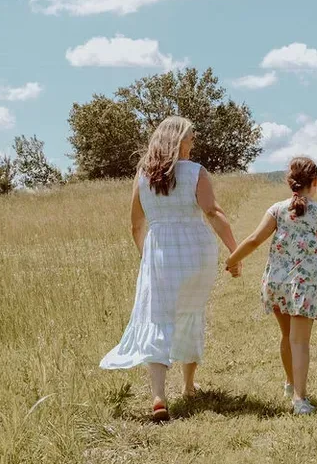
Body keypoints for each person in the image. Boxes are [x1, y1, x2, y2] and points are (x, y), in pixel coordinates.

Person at [100, 116, 240, 423]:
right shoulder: (196, 172)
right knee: (191, 313)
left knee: (159, 319)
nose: (193, 142)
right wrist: (234, 249)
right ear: (178, 141)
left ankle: (159, 395)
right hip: (196, 252)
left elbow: (136, 224)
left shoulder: (143, 175)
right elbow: (212, 211)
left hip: (161, 252)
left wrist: (145, 256)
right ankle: (188, 387)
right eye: (191, 137)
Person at [225, 157, 317, 414]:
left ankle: (291, 384)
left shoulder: (277, 210)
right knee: (300, 342)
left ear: (290, 182)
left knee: (287, 336)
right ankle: (300, 400)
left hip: (277, 282)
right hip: (304, 285)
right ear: (314, 182)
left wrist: (232, 259)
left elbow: (255, 239)